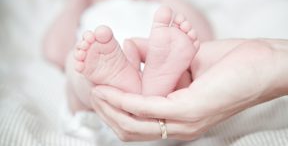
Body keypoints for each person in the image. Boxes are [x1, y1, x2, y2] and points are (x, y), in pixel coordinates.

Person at [43, 0, 213, 112]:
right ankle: (124, 85)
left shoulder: (160, 9)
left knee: (188, 65)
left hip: (172, 113)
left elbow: (204, 39)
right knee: (75, 62)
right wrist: (76, 2)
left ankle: (156, 83)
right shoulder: (86, 13)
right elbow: (55, 52)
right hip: (98, 113)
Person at [89, 38, 288, 141]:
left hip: (131, 56)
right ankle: (144, 85)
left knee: (84, 79)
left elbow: (199, 36)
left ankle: (134, 87)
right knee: (84, 74)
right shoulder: (90, 8)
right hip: (114, 56)